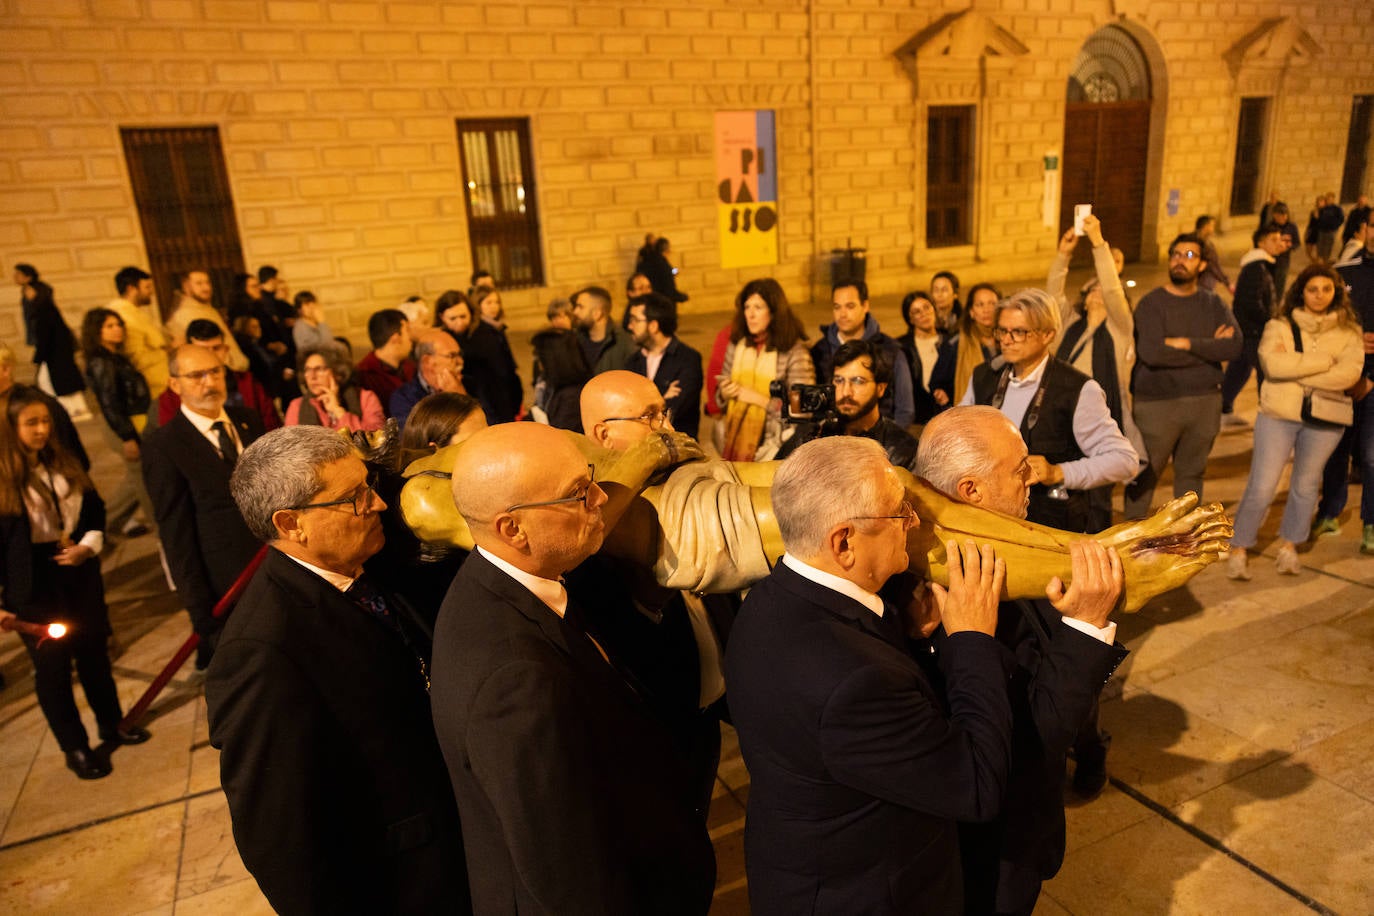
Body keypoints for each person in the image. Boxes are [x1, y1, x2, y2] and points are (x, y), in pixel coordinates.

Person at [429, 423, 715, 915]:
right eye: (578, 494)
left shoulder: (505, 586)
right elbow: (564, 870)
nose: (602, 498)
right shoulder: (515, 680)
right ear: (512, 528)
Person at [725, 435, 1014, 915]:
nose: (914, 523)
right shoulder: (852, 681)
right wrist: (972, 640)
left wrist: (913, 636)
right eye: (899, 512)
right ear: (844, 542)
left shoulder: (770, 599)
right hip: (871, 893)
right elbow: (976, 786)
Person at [206, 426, 470, 915]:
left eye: (368, 485)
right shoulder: (262, 651)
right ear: (291, 524)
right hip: (403, 887)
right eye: (354, 498)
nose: (378, 505)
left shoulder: (370, 565)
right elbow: (281, 840)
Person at [915, 406, 1128, 914]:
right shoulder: (949, 594)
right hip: (991, 855)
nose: (1033, 474)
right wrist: (1086, 627)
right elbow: (1040, 733)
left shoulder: (1010, 541)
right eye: (1018, 469)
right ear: (971, 492)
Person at [0, 386, 151, 780]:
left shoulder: (61, 461)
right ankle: (76, 747)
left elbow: (94, 507)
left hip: (77, 570)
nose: (41, 429)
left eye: (46, 420)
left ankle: (111, 723)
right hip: (33, 584)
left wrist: (88, 543)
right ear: (10, 428)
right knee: (52, 668)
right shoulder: (4, 481)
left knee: (94, 652)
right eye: (31, 423)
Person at [1226, 264, 1365, 579]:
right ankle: (1239, 545)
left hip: (1326, 418)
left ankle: (1289, 546)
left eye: (1326, 289)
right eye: (1312, 289)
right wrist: (1323, 362)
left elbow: (1349, 374)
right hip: (1278, 415)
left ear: (1337, 292)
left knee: (1305, 485)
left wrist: (1298, 369)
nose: (1319, 296)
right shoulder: (1280, 325)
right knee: (1262, 485)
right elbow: (1273, 365)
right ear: (1301, 291)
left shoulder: (1348, 331)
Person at [963, 289, 1138, 533]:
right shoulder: (984, 376)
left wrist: (1059, 472)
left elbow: (1125, 460)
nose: (1006, 339)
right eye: (1002, 330)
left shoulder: (1077, 389)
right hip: (990, 521)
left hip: (1050, 526)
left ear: (1048, 335)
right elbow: (959, 435)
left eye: (1019, 332)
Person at [142, 344, 265, 669]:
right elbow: (175, 533)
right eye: (196, 375)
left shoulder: (247, 421)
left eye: (215, 372)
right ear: (175, 384)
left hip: (272, 566)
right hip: (227, 584)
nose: (209, 382)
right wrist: (199, 610)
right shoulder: (164, 445)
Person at [1124, 233, 1242, 518]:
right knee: (1144, 474)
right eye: (1176, 254)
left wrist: (1186, 343)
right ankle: (1131, 539)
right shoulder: (1151, 304)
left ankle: (1184, 539)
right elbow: (1152, 352)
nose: (1180, 261)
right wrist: (1209, 349)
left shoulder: (1213, 303)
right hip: (1157, 404)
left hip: (1204, 403)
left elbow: (1235, 346)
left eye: (1189, 256)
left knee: (1192, 476)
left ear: (1202, 265)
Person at [1047, 214, 1141, 461]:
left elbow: (1112, 288)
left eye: (1103, 290)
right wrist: (1063, 256)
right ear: (1085, 301)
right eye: (1092, 289)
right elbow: (1053, 295)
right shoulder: (1069, 324)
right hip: (1062, 411)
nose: (1099, 291)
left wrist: (1098, 243)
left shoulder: (1119, 328)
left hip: (1101, 417)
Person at [1314, 212, 1374, 554]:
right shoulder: (1344, 274)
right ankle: (1328, 512)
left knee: (1371, 456)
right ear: (1365, 229)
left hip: (1373, 384)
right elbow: (1319, 321)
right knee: (1335, 451)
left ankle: (1371, 522)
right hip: (1341, 381)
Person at [776, 339, 919, 469]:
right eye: (839, 380)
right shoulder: (811, 434)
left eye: (858, 381)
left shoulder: (901, 450)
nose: (845, 392)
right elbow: (772, 477)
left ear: (880, 388)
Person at [714, 278, 814, 460]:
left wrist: (760, 400)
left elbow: (803, 410)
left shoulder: (794, 351)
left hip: (775, 441)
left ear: (774, 312)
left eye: (758, 308)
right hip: (736, 434)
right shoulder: (737, 345)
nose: (750, 315)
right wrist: (725, 394)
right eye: (747, 307)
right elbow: (720, 397)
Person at [80, 308, 155, 536]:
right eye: (109, 326)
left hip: (131, 421)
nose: (117, 329)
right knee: (142, 478)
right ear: (97, 331)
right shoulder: (101, 361)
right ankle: (159, 525)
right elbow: (109, 402)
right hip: (122, 425)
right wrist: (128, 437)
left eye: (118, 324)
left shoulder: (114, 357)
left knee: (135, 479)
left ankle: (100, 523)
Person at [811, 278, 915, 426]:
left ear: (865, 306)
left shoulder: (891, 351)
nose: (842, 314)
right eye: (837, 307)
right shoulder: (819, 351)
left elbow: (905, 411)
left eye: (850, 306)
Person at [156, 319, 281, 433]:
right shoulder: (174, 394)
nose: (211, 356)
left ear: (226, 349)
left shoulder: (247, 382)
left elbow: (271, 424)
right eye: (203, 350)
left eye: (216, 348)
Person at [1220, 224, 1288, 427]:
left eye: (1280, 239)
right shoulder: (1256, 268)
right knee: (1265, 374)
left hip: (1250, 330)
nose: (1279, 244)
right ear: (1261, 242)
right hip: (1253, 331)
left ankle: (1224, 409)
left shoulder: (1262, 265)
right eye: (1274, 240)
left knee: (1239, 369)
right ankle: (1267, 418)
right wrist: (1270, 320)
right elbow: (1250, 302)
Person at [13, 264, 88, 420]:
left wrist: (39, 355)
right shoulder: (44, 311)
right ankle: (74, 410)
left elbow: (44, 335)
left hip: (54, 352)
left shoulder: (44, 313)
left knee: (50, 381)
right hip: (54, 351)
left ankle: (71, 411)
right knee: (51, 380)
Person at [434, 291, 523, 422]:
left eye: (463, 316)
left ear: (471, 313)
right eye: (453, 318)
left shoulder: (486, 334)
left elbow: (505, 373)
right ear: (442, 317)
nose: (459, 322)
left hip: (494, 400)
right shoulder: (440, 339)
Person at [626, 292, 704, 440]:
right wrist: (662, 397)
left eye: (635, 320)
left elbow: (674, 411)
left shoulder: (687, 359)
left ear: (653, 326)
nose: (630, 326)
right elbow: (626, 413)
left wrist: (644, 408)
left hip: (679, 450)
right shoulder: (633, 362)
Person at [105, 266, 171, 411]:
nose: (151, 292)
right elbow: (136, 359)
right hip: (152, 393)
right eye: (147, 287)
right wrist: (167, 350)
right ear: (131, 289)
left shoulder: (134, 313)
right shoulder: (126, 316)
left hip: (160, 388)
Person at [165, 269, 251, 372]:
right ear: (186, 286)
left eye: (207, 282)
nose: (206, 287)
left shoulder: (208, 309)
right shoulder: (183, 315)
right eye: (199, 283)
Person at [285, 347, 385, 432]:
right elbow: (291, 449)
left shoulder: (366, 398)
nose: (312, 377)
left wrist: (338, 411)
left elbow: (374, 441)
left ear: (338, 373)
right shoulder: (296, 406)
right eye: (307, 370)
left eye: (319, 369)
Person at [897, 290, 957, 426]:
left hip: (946, 416)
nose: (924, 314)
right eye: (917, 312)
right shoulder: (902, 347)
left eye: (926, 307)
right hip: (917, 421)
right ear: (910, 319)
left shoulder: (950, 342)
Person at [390, 328, 466, 427]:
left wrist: (463, 398)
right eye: (451, 356)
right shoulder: (403, 397)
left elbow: (489, 425)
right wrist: (454, 402)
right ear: (427, 361)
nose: (460, 362)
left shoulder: (471, 384)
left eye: (460, 354)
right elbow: (413, 437)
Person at [355, 308, 415, 417]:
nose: (411, 338)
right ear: (395, 339)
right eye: (407, 331)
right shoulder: (364, 375)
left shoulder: (411, 366)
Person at [529, 325, 590, 432]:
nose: (537, 362)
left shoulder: (572, 398)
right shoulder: (548, 385)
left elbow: (563, 437)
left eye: (539, 357)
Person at [952, 281, 1002, 406]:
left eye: (992, 304)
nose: (987, 309)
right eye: (980, 305)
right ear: (971, 312)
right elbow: (939, 382)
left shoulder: (1010, 339)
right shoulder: (956, 344)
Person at [571, 285, 637, 375]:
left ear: (597, 314)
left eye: (580, 307)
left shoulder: (623, 343)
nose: (575, 312)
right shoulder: (574, 340)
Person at [636, 233, 689, 302]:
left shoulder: (647, 258)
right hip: (662, 301)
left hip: (649, 298)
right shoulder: (662, 263)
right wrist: (681, 297)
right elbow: (669, 285)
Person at [1194, 215, 1232, 294]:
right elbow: (1214, 266)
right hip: (1204, 283)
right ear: (1206, 227)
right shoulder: (1205, 245)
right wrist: (1227, 282)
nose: (1213, 228)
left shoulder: (1192, 240)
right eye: (1212, 225)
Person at [290, 290, 337, 354]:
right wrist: (322, 322)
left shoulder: (317, 323)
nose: (312, 307)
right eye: (307, 304)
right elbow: (327, 346)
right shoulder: (301, 327)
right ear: (299, 310)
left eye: (313, 303)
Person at [931, 269, 962, 334]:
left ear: (955, 294)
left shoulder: (964, 319)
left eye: (944, 290)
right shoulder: (927, 319)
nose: (939, 295)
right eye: (936, 290)